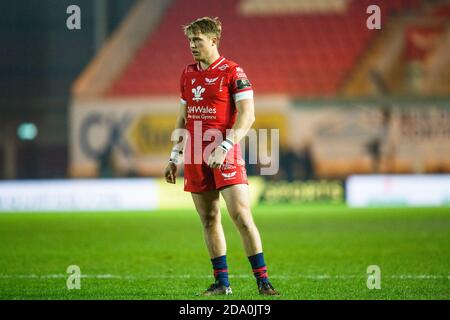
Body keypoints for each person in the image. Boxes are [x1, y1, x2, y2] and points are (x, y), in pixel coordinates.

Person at [163, 17, 279, 296]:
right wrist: (174, 155)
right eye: (190, 41)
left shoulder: (233, 71)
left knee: (240, 215)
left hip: (224, 149)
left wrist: (225, 146)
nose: (192, 46)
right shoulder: (187, 74)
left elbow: (248, 115)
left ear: (213, 40)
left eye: (198, 40)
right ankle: (222, 283)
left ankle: (263, 281)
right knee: (209, 219)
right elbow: (183, 117)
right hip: (194, 153)